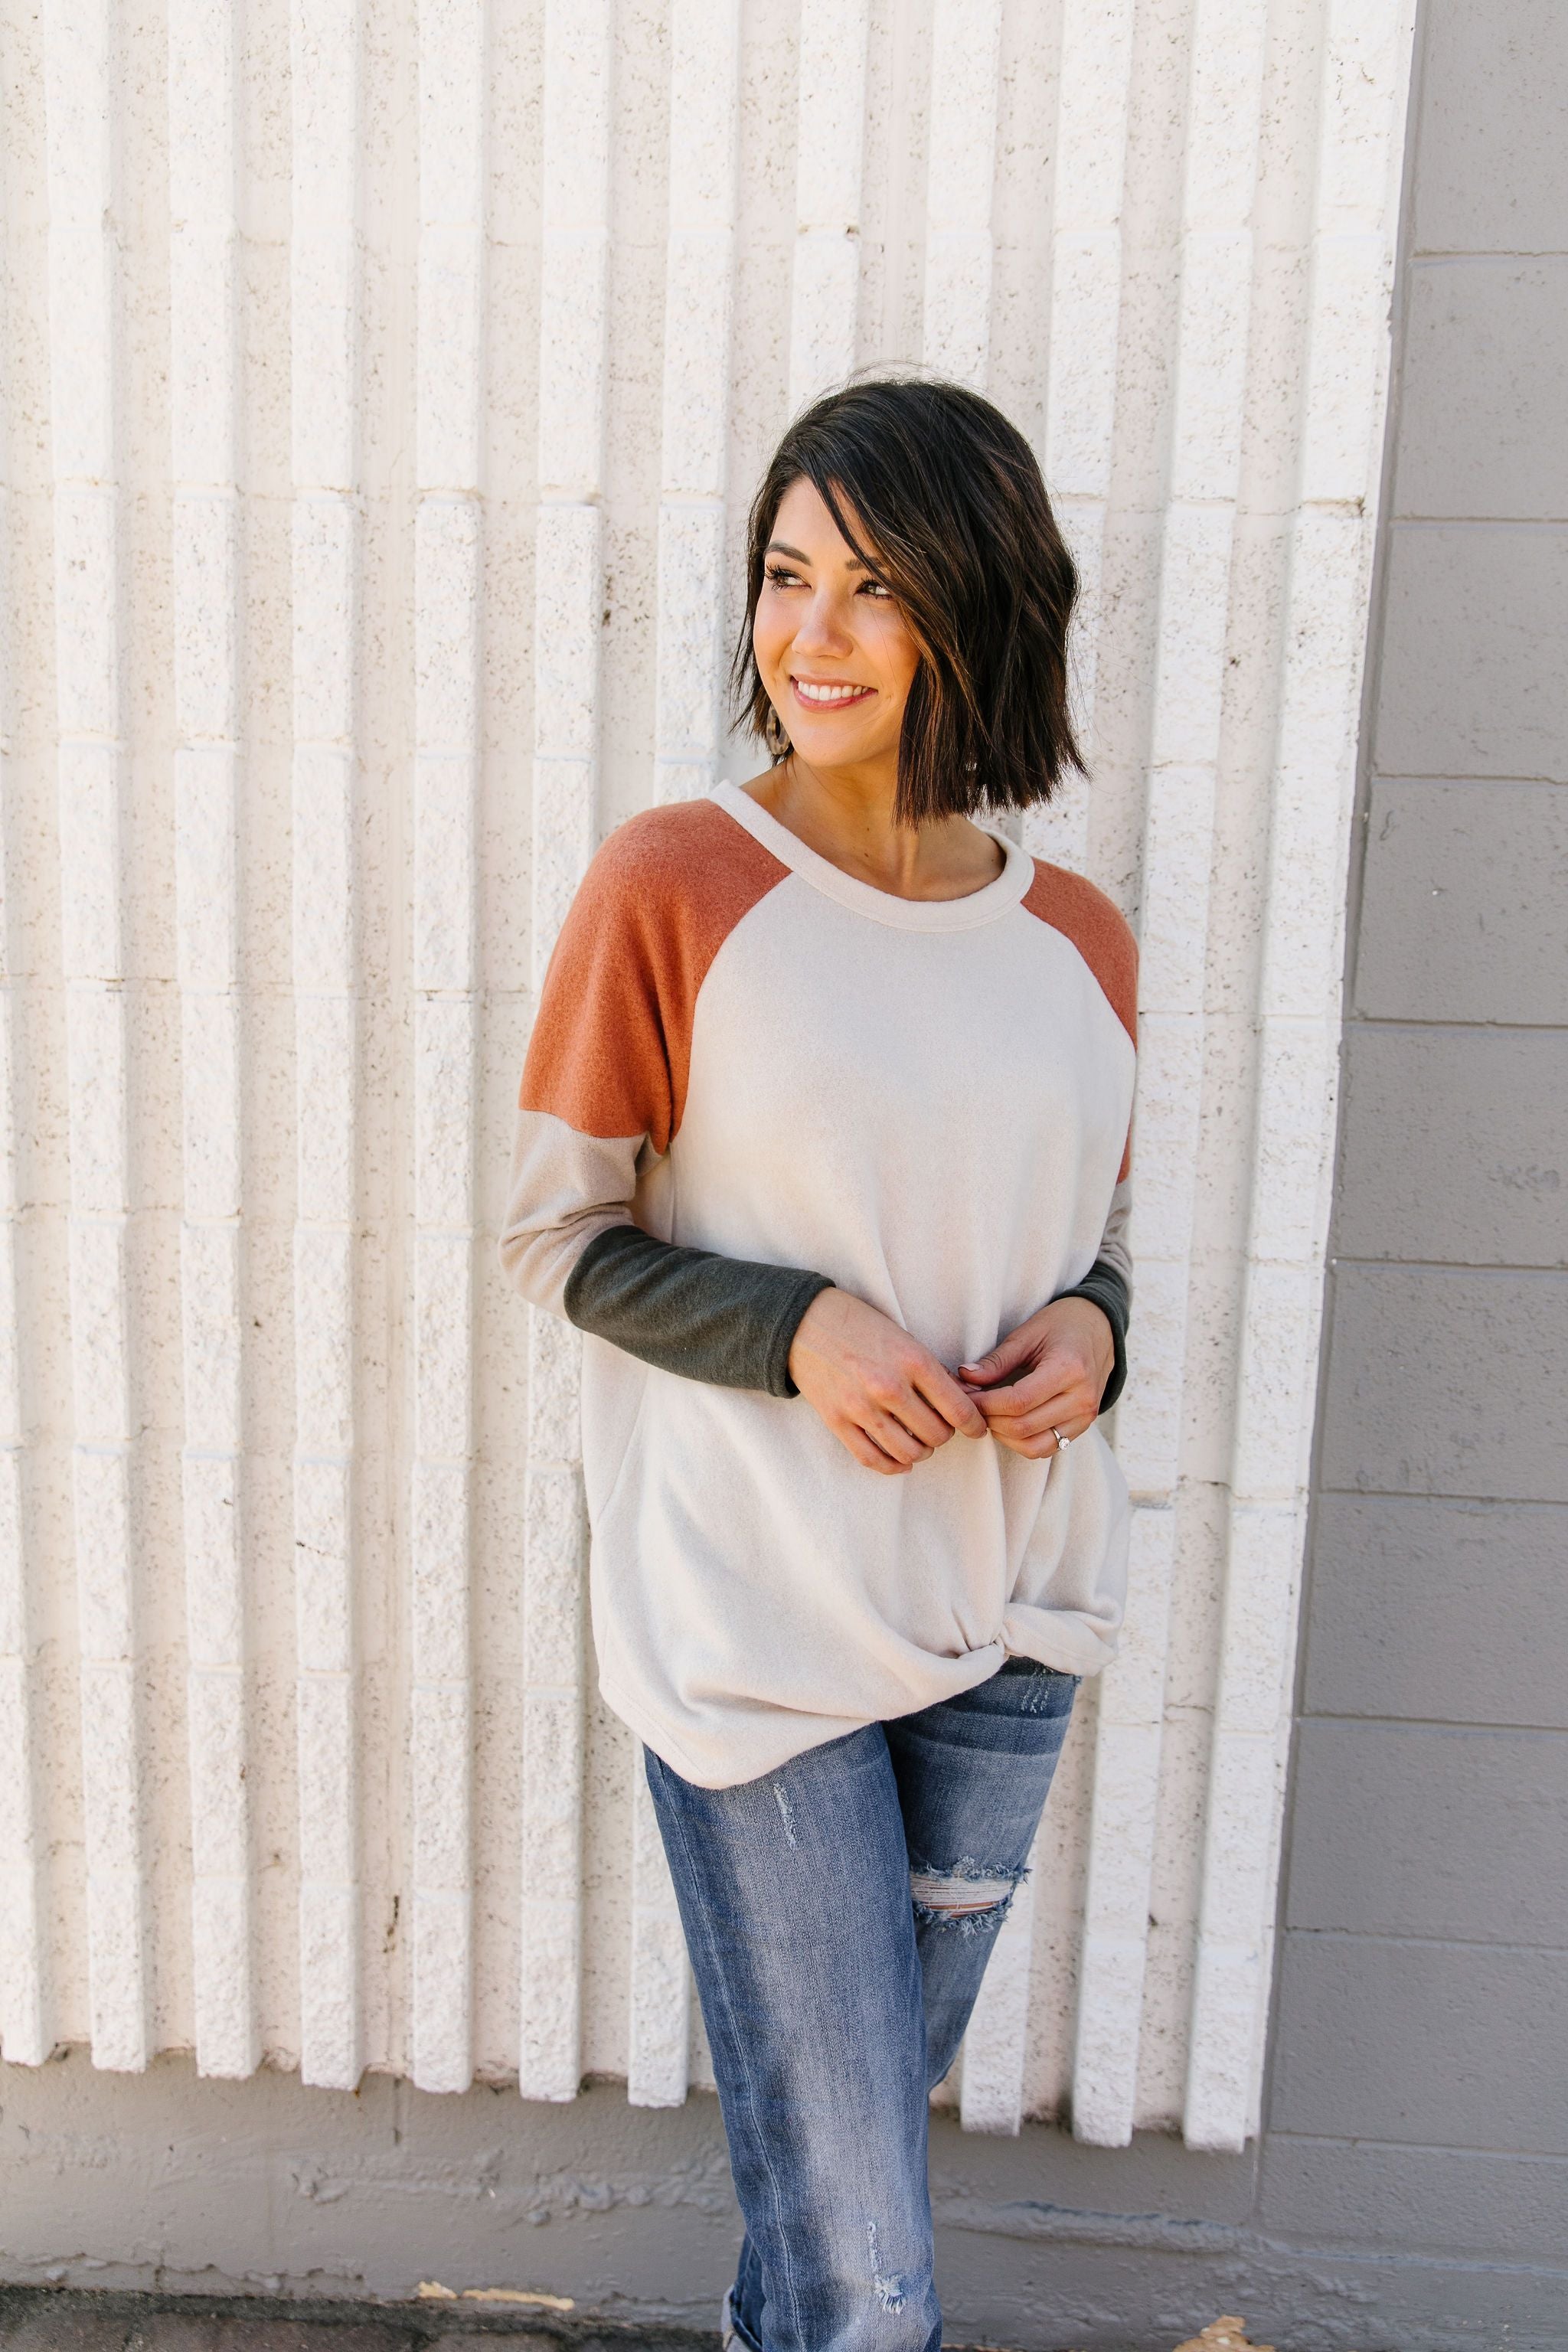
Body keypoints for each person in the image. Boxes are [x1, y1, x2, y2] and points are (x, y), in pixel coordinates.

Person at [500, 376, 1137, 2352]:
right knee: (866, 2272)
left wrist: (1100, 1329)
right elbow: (554, 1236)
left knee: (839, 2215)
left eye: (873, 586)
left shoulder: (1080, 937)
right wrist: (800, 1330)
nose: (812, 634)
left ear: (980, 602)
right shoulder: (675, 882)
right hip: (757, 1631)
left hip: (1008, 1615)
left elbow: (1076, 1236)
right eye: (786, 577)